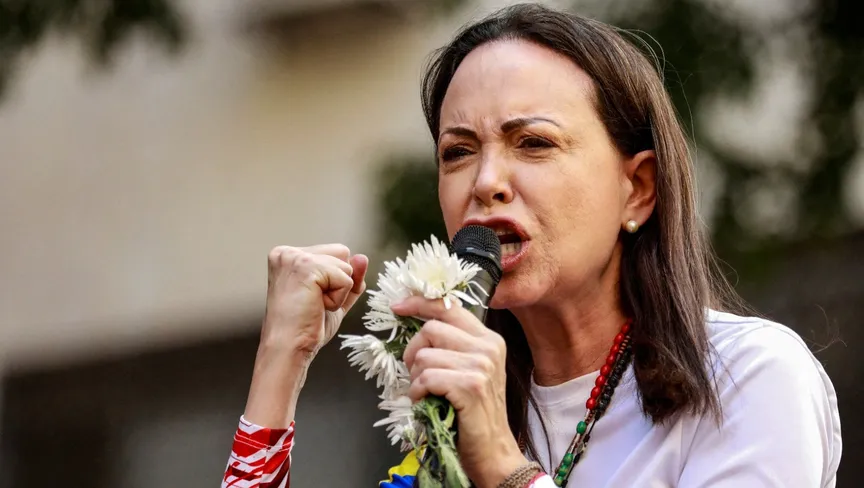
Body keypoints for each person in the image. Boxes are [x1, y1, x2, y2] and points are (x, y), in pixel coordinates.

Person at [221, 3, 842, 487]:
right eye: (458, 152)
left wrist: (502, 464)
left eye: (534, 143)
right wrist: (281, 360)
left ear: (638, 189)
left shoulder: (748, 378)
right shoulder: (449, 419)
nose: (485, 182)